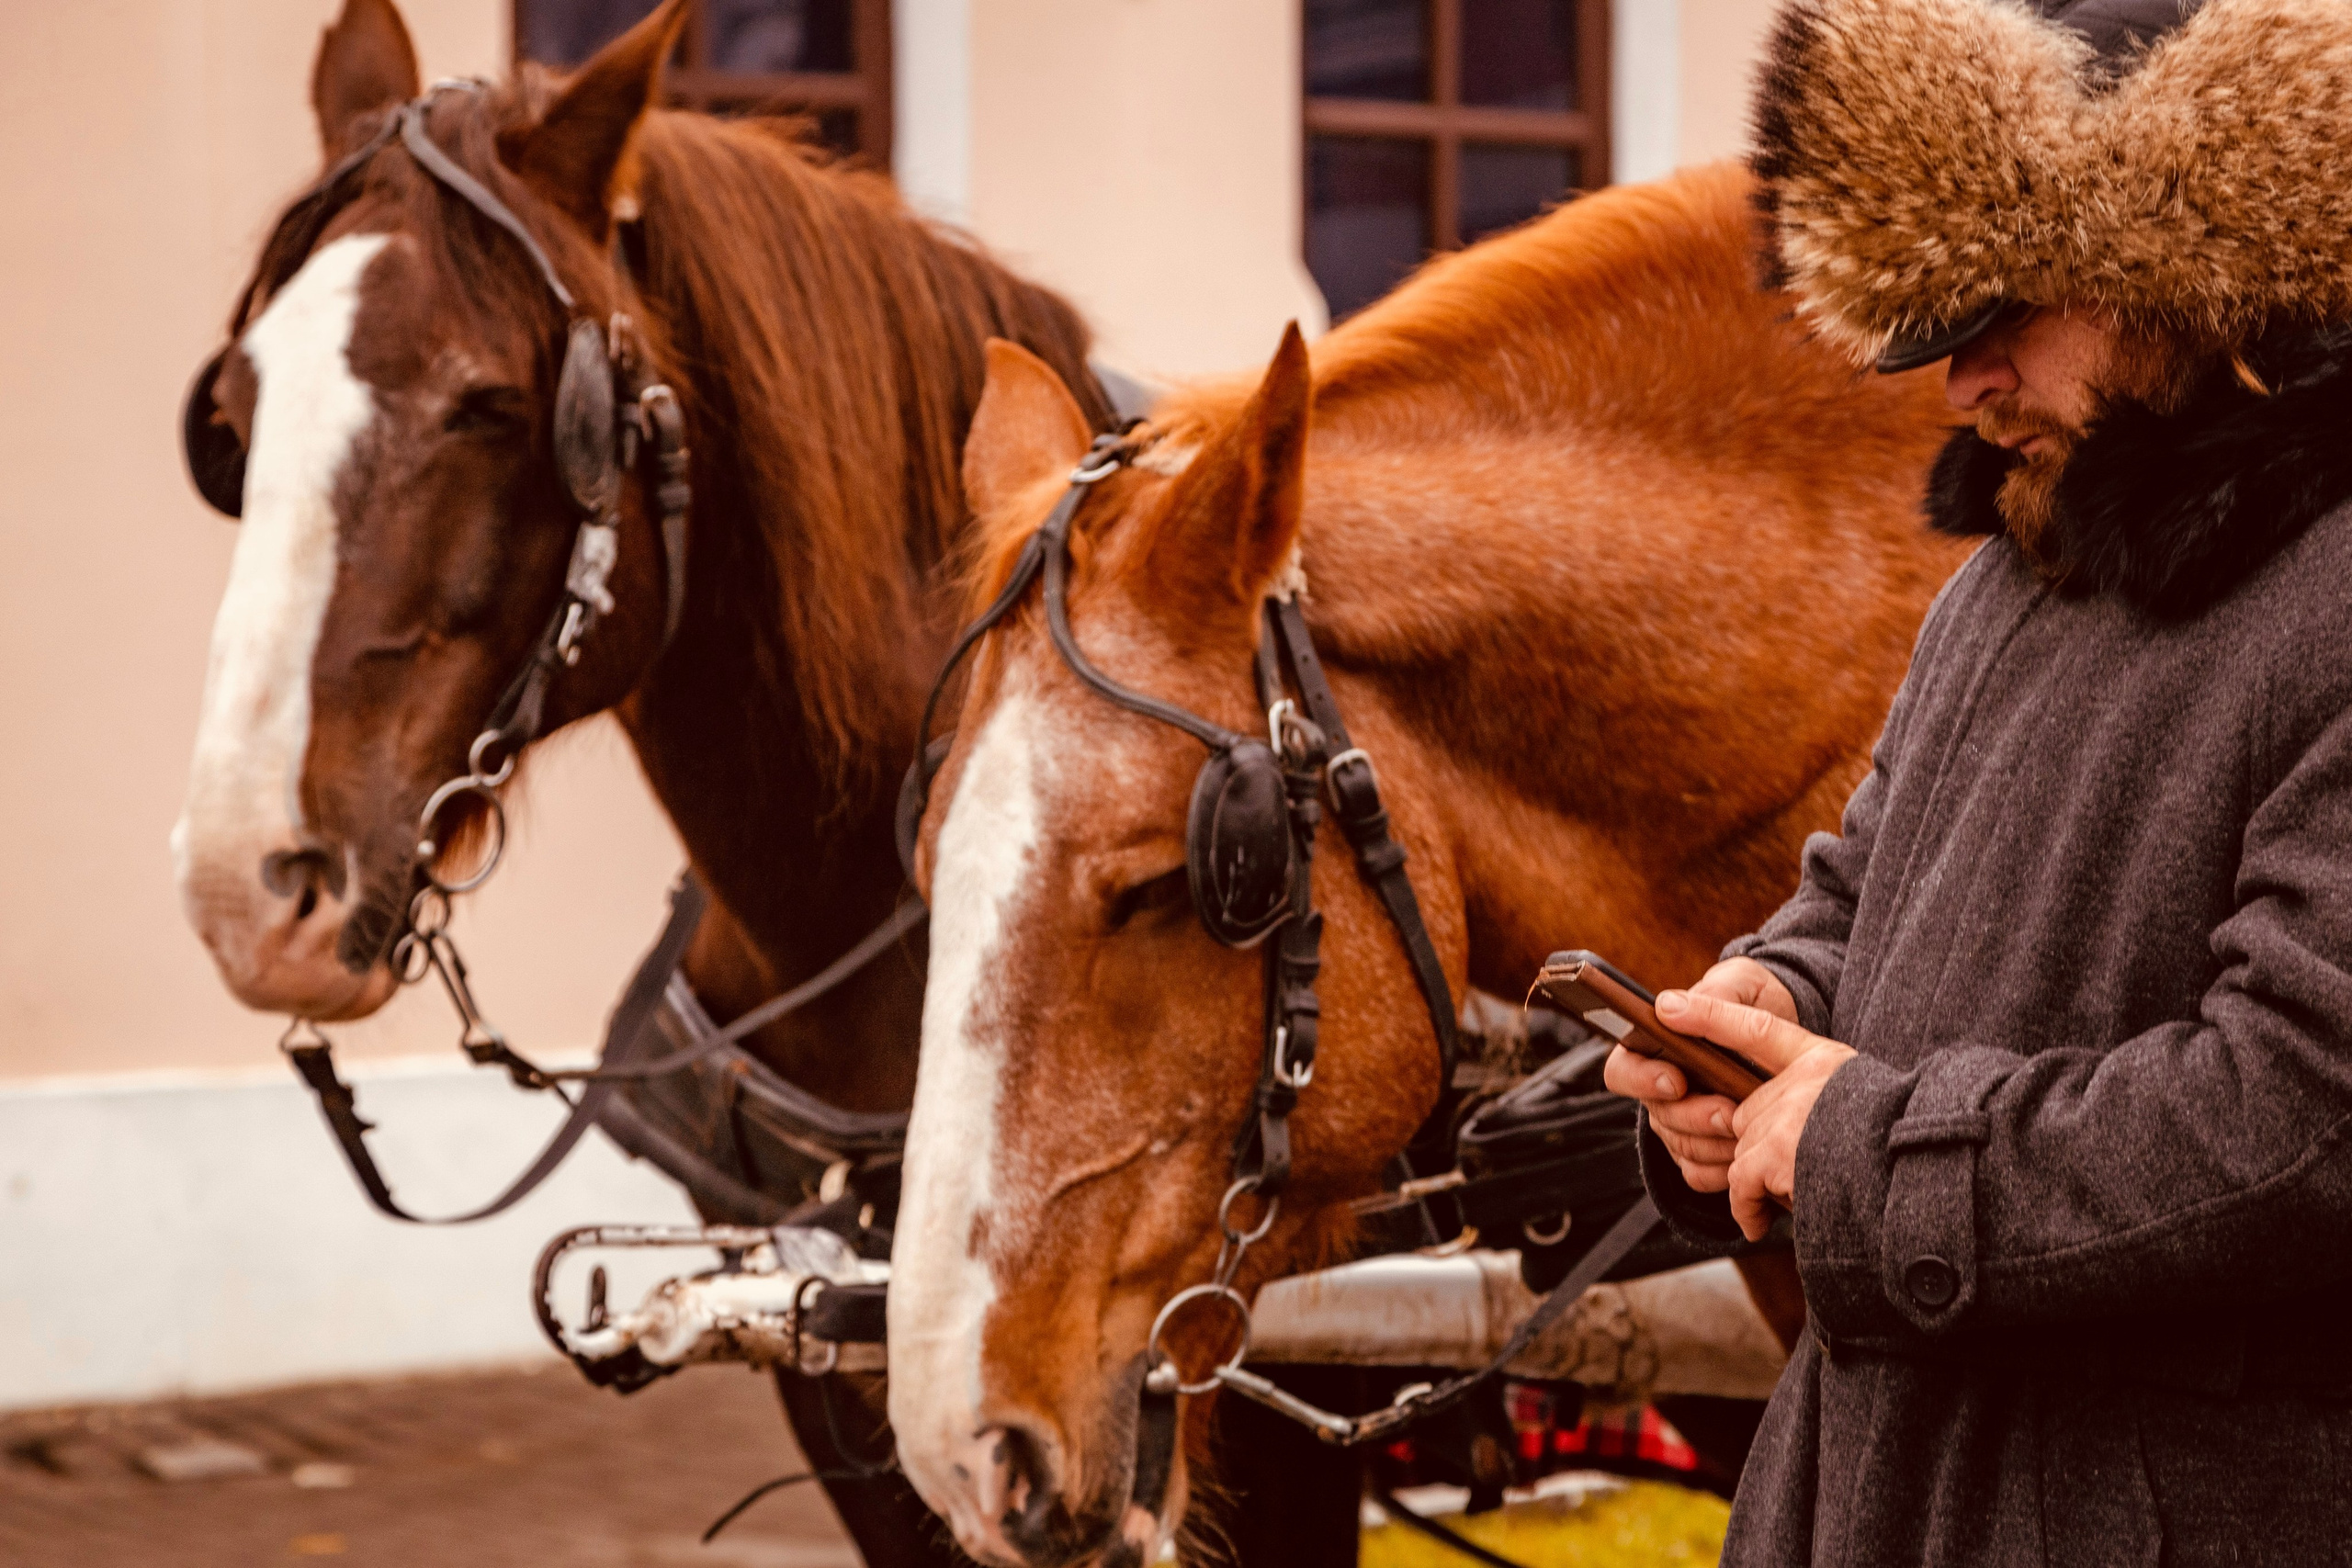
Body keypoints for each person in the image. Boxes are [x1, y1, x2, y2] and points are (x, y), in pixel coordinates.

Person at [1603, 0, 2352, 1561]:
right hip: (1870, 1494)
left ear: (2188, 255)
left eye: (2002, 307)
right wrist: (1760, 1035)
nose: (1961, 381)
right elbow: (1858, 900)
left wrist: (1858, 1148)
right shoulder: (2006, 584)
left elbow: (2301, 1115)